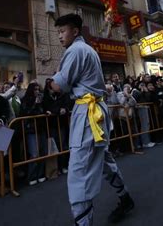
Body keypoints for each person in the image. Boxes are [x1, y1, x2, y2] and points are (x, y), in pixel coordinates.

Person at [50, 13, 134, 225]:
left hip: (88, 113)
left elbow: (59, 86)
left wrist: (52, 78)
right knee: (103, 159)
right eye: (58, 32)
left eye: (62, 31)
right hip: (94, 111)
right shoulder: (88, 50)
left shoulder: (75, 50)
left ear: (75, 31)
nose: (59, 36)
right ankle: (125, 198)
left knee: (79, 171)